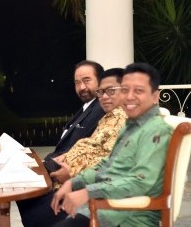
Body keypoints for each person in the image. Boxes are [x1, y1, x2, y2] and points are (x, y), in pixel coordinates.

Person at [51, 62, 173, 227]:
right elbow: (107, 166)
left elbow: (141, 182)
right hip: (103, 208)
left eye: (138, 90)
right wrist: (73, 182)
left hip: (129, 217)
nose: (129, 97)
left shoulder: (156, 130)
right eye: (124, 90)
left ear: (155, 96)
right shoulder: (130, 126)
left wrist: (88, 192)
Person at [17, 68, 127, 226]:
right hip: (70, 182)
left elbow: (112, 164)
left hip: (90, 193)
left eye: (111, 91)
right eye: (101, 92)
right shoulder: (109, 117)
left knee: (31, 206)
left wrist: (74, 176)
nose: (104, 97)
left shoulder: (126, 120)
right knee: (26, 199)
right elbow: (93, 149)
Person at [45, 60, 106, 160]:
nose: (82, 87)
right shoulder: (86, 107)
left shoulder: (101, 108)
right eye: (77, 82)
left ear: (100, 81)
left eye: (87, 81)